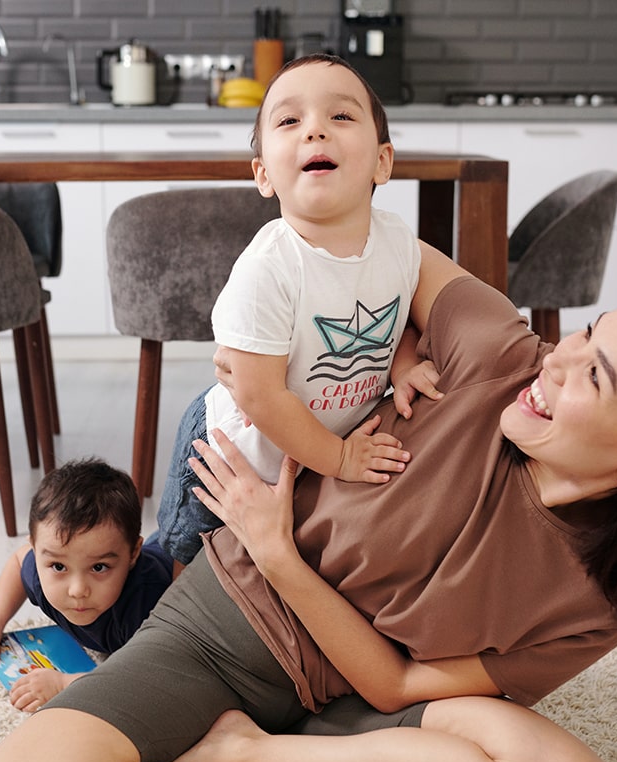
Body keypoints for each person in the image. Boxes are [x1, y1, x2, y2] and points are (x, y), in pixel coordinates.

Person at [0, 234, 617, 762]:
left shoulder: (605, 596)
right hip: (231, 628)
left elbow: (396, 686)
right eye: (587, 333)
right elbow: (375, 238)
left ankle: (237, 758)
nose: (561, 358)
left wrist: (281, 550)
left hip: (361, 701)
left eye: (595, 376)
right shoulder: (499, 357)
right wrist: (383, 333)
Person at [157, 53, 442, 570]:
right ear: (264, 175)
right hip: (230, 448)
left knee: (269, 568)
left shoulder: (399, 242)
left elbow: (394, 316)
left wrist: (402, 367)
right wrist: (339, 460)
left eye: (341, 116)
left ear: (383, 161)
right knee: (188, 558)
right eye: (291, 121)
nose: (316, 131)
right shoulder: (268, 269)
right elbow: (261, 396)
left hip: (312, 446)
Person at [0, 458, 173, 713]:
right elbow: (19, 561)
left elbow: (148, 682)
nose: (77, 590)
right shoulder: (41, 570)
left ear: (132, 555)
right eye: (59, 567)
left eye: (99, 567)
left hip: (187, 556)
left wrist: (65, 684)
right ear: (37, 551)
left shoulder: (147, 605)